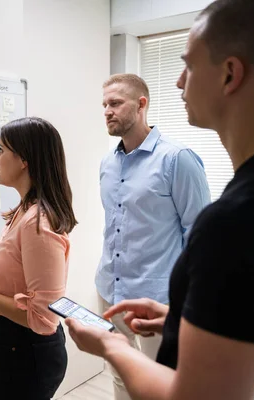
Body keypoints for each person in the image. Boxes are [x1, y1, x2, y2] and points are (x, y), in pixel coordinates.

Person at [68, 0, 254, 399]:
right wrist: (181, 320)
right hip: (119, 291)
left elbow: (196, 394)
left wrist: (110, 343)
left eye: (190, 66)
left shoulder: (234, 216)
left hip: (158, 291)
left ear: (230, 74)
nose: (179, 82)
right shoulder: (107, 165)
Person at [96, 73, 211, 399]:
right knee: (120, 374)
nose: (107, 110)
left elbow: (199, 234)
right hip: (111, 290)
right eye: (104, 104)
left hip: (157, 298)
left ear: (141, 104)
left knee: (163, 384)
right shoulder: (107, 163)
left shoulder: (177, 160)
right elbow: (115, 227)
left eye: (115, 103)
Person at [0, 116, 77, 400]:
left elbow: (43, 318)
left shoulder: (39, 224)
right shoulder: (25, 211)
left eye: (1, 150)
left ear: (24, 159)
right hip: (13, 354)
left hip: (27, 358)